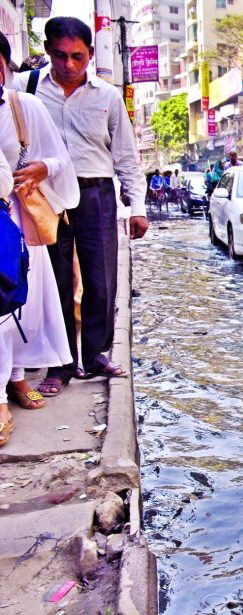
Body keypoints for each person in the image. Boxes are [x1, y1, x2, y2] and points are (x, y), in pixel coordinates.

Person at [12, 16, 148, 395]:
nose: (68, 65)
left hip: (96, 193)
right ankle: (61, 364)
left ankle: (96, 354)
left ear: (89, 55)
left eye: (77, 56)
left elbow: (125, 156)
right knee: (53, 281)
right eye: (59, 55)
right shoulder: (26, 88)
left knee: (101, 279)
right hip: (46, 196)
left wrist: (137, 206)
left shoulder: (107, 96)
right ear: (47, 51)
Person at [0, 32, 80, 443]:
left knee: (18, 303)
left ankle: (14, 380)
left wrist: (39, 170)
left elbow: (60, 158)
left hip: (15, 216)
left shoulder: (22, 106)